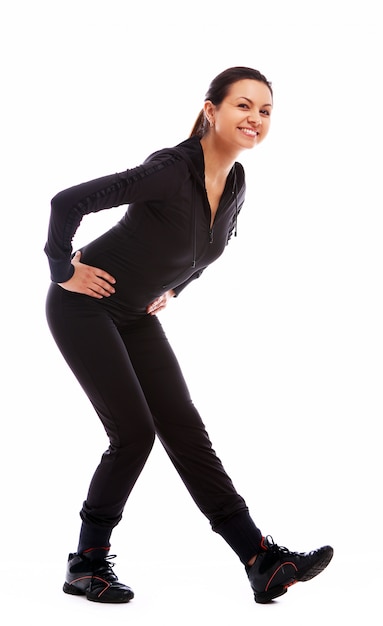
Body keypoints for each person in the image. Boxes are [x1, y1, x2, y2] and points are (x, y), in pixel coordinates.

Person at [45, 66, 333, 605]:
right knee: (133, 433)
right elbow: (66, 203)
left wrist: (175, 288)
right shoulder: (171, 169)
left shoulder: (237, 183)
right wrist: (63, 268)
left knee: (184, 427)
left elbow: (205, 249)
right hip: (82, 307)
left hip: (134, 314)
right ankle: (86, 563)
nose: (255, 118)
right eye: (243, 105)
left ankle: (260, 559)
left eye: (265, 110)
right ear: (211, 111)